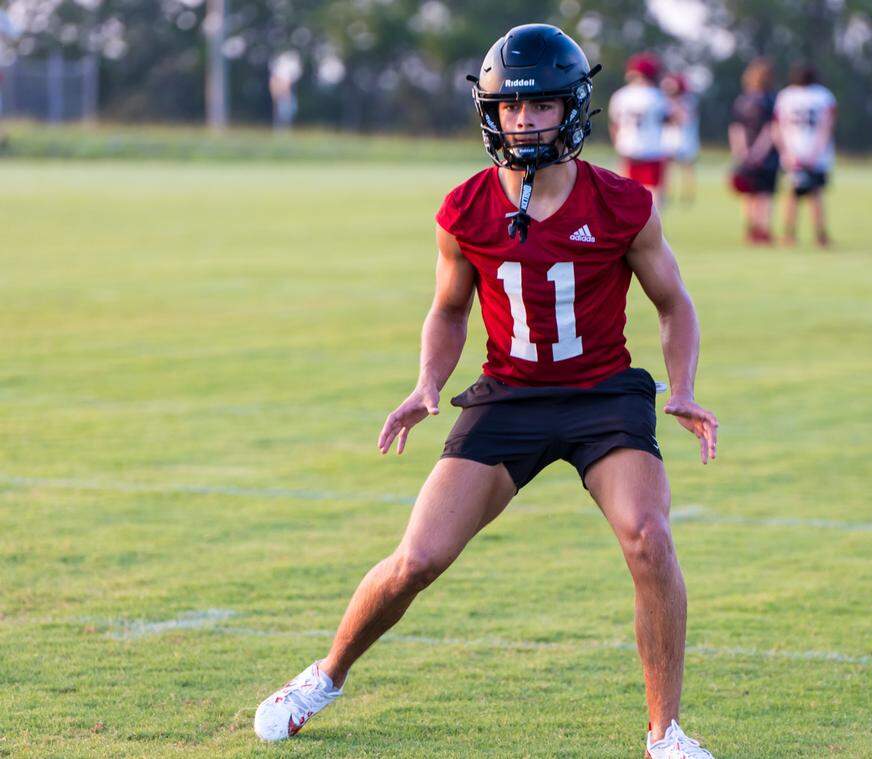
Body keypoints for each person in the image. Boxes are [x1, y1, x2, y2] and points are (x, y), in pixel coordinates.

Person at [252, 24, 719, 759]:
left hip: (603, 395)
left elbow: (674, 303)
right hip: (510, 394)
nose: (524, 121)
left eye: (540, 107)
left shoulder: (627, 204)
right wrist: (427, 383)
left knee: (650, 539)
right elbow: (448, 308)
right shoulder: (465, 209)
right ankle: (325, 674)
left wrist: (684, 385)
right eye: (511, 108)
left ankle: (665, 734)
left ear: (573, 109)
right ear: (491, 112)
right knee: (418, 558)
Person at [772, 63, 836, 247]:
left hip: (792, 152)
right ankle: (821, 235)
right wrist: (816, 153)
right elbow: (827, 126)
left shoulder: (786, 96)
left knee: (791, 194)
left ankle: (788, 235)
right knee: (815, 195)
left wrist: (785, 152)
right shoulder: (824, 96)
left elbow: (776, 127)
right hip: (817, 154)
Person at [728, 57, 781, 244]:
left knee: (749, 193)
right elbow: (770, 130)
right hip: (767, 155)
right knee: (764, 194)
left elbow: (736, 128)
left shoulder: (742, 100)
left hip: (746, 153)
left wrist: (741, 151)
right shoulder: (772, 100)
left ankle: (751, 228)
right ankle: (763, 229)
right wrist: (759, 152)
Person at [609, 52, 672, 206]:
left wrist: (619, 145)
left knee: (626, 198)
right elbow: (671, 121)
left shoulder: (620, 96)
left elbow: (614, 126)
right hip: (652, 151)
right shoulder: (658, 96)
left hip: (628, 151)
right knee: (654, 200)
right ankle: (653, 229)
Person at [661, 72, 700, 205]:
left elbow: (684, 119)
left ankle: (687, 196)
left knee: (687, 168)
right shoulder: (665, 100)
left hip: (685, 140)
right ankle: (666, 194)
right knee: (666, 168)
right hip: (669, 139)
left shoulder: (688, 101)